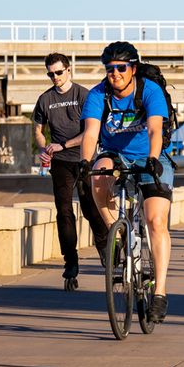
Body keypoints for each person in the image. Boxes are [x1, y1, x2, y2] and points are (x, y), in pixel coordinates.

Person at [79, 41, 174, 323]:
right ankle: (116, 234)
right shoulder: (99, 94)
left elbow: (155, 129)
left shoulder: (149, 90)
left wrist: (154, 158)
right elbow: (90, 133)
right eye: (110, 69)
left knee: (156, 221)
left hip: (150, 156)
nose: (115, 73)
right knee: (98, 172)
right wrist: (85, 162)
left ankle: (159, 293)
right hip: (116, 154)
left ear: (132, 68)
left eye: (121, 68)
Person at [33, 52, 107, 284]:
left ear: (68, 70)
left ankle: (105, 249)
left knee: (91, 210)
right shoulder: (45, 99)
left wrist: (64, 144)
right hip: (61, 163)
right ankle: (71, 262)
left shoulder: (84, 95)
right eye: (50, 74)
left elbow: (89, 132)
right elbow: (37, 131)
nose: (55, 77)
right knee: (64, 211)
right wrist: (44, 148)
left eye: (58, 72)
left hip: (85, 159)